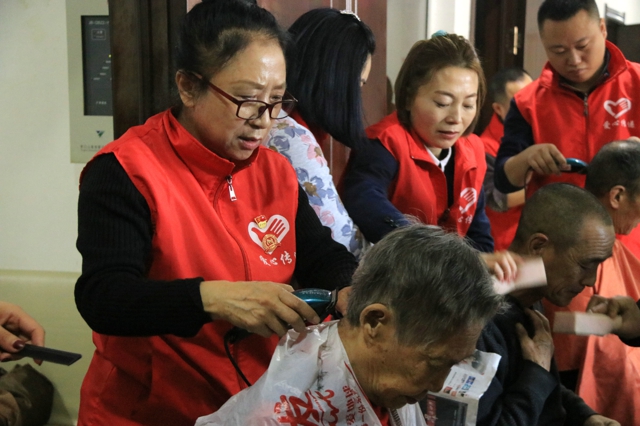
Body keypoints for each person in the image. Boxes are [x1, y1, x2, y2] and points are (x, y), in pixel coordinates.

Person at [74, 1, 358, 425]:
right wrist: (216, 298)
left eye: (276, 101)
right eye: (247, 100)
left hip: (251, 406)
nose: (263, 120)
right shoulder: (126, 171)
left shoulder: (275, 171)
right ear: (189, 87)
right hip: (147, 410)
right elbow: (103, 297)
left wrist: (353, 287)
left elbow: (320, 255)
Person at [196, 224, 504, 425]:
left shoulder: (385, 384)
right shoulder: (284, 414)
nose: (437, 385)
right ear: (373, 322)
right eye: (434, 363)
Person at [342, 33, 518, 280]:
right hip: (394, 282)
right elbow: (363, 199)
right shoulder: (384, 143)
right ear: (408, 97)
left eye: (468, 105)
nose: (456, 118)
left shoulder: (473, 151)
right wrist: (445, 255)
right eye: (442, 103)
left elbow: (479, 237)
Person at [493, 0, 640, 258]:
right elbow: (503, 182)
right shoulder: (528, 103)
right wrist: (527, 158)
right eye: (558, 50)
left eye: (582, 46)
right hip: (558, 250)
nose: (574, 60)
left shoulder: (637, 84)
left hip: (631, 244)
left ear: (602, 29)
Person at [476, 183, 619, 426]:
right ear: (538, 247)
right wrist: (537, 372)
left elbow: (529, 382)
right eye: (585, 265)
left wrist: (584, 416)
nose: (590, 280)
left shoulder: (531, 298)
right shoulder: (477, 321)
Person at [542, 140, 640, 423]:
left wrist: (619, 321)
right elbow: (561, 323)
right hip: (564, 381)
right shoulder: (565, 239)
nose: (590, 279)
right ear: (617, 196)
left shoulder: (614, 241)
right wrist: (606, 323)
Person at [265, 8, 375, 256]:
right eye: (357, 84)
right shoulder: (293, 138)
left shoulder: (282, 121)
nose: (357, 97)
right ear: (333, 78)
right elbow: (342, 243)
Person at [481, 68, 532, 251]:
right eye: (519, 104)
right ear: (498, 109)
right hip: (507, 247)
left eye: (532, 98)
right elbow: (496, 200)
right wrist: (544, 186)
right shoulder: (484, 147)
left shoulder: (541, 130)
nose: (530, 107)